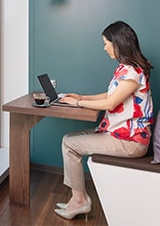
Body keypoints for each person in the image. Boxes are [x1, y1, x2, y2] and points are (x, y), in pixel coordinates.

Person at [55, 20, 154, 220]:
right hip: (118, 134)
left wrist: (77, 104)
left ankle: (79, 201)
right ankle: (79, 199)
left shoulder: (133, 72)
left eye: (105, 43)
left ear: (117, 43)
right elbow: (108, 95)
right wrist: (80, 97)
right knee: (68, 139)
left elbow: (110, 103)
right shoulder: (124, 68)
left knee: (70, 145)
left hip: (131, 142)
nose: (104, 48)